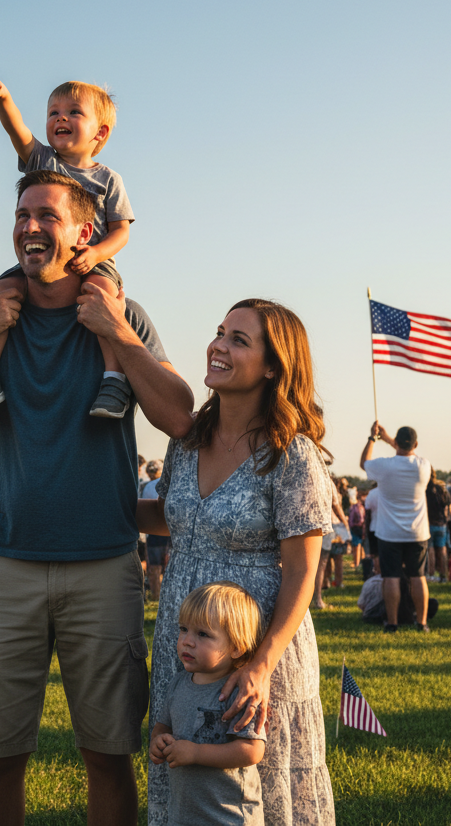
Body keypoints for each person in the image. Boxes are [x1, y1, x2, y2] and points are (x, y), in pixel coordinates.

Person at [0, 168, 194, 826]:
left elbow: (180, 416)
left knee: (108, 752)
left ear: (84, 232)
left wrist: (116, 331)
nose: (29, 226)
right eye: (21, 214)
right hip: (5, 566)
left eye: (47, 215)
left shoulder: (123, 314)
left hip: (104, 565)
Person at [137, 298, 335, 826]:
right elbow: (176, 517)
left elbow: (301, 570)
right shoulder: (187, 441)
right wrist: (92, 505)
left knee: (255, 784)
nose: (218, 345)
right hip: (183, 632)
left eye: (238, 340)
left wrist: (262, 664)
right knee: (182, 768)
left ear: (274, 366)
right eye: (220, 332)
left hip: (254, 642)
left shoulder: (290, 453)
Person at [0, 72, 137, 420]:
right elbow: (17, 131)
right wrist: (3, 99)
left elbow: (121, 231)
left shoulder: (108, 179)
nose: (61, 118)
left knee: (103, 298)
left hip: (91, 260)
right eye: (53, 112)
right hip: (39, 258)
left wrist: (97, 253)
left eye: (74, 112)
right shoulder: (42, 160)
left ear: (99, 133)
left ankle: (114, 380)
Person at [148, 582, 266, 826]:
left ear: (236, 647)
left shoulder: (237, 691)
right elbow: (163, 725)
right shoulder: (178, 683)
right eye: (184, 629)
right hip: (184, 814)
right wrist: (159, 740)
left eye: (202, 634)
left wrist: (196, 752)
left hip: (230, 817)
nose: (187, 641)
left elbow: (252, 750)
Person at [359, 423, 431, 633]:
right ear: (416, 444)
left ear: (397, 443)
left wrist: (373, 438)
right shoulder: (423, 466)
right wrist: (389, 438)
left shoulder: (385, 466)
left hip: (389, 532)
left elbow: (364, 463)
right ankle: (422, 623)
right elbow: (406, 450)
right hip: (417, 532)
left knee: (390, 577)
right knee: (418, 577)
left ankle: (392, 623)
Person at [141, 459, 168, 603]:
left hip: (153, 532)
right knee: (167, 564)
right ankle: (164, 595)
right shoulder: (166, 483)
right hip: (167, 530)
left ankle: (156, 595)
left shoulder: (147, 487)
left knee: (155, 566)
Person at [425, 470, 451, 582]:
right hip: (442, 523)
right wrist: (446, 518)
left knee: (430, 549)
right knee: (442, 549)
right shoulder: (442, 489)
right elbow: (449, 506)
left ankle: (431, 574)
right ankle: (443, 574)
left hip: (429, 523)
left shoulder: (424, 489)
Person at [348, 489, 367, 569]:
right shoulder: (359, 507)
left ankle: (357, 563)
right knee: (358, 546)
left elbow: (360, 519)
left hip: (356, 528)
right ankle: (359, 562)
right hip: (358, 527)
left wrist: (354, 525)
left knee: (357, 546)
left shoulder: (357, 507)